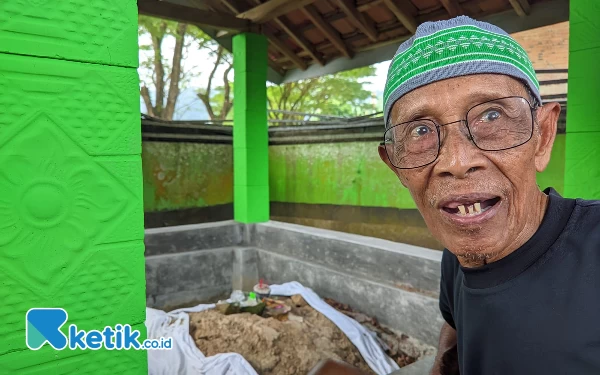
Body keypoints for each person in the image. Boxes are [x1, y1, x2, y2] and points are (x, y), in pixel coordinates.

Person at [378, 16, 600, 375]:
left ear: (542, 137)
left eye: (491, 115)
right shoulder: (457, 255)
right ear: (397, 168)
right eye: (420, 130)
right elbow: (455, 323)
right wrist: (442, 363)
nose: (457, 162)